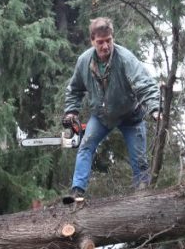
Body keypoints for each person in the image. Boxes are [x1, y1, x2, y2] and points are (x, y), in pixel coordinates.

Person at [62, 17, 160, 202]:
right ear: (92, 41)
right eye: (100, 42)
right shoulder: (84, 61)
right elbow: (74, 89)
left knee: (139, 160)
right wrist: (71, 111)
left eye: (108, 40)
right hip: (102, 116)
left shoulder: (125, 59)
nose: (105, 46)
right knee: (86, 146)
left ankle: (143, 196)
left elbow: (145, 84)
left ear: (112, 38)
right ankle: (77, 191)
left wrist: (155, 109)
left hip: (131, 116)